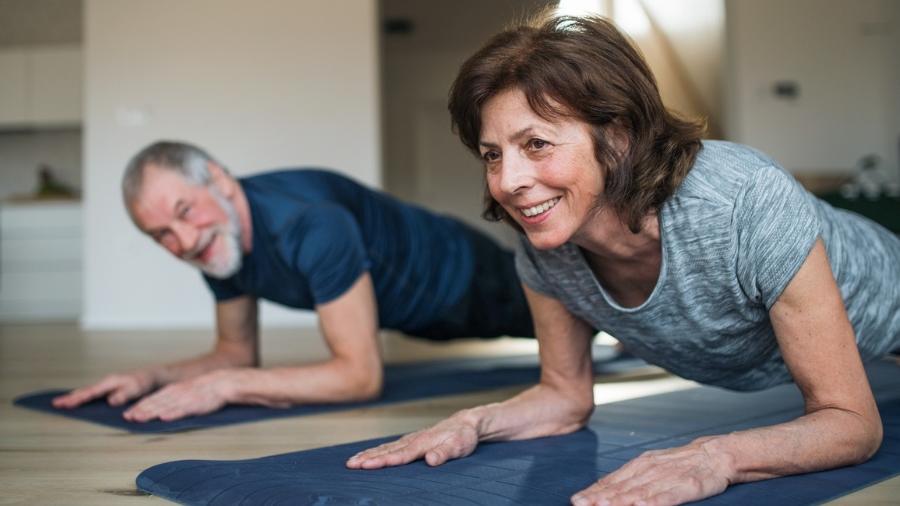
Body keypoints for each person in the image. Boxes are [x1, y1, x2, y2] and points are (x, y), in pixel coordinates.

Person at [345, 14, 900, 505]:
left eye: (536, 144)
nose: (509, 182)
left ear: (618, 137)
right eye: (493, 154)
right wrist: (473, 423)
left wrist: (713, 457)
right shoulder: (547, 244)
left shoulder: (745, 201)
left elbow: (851, 423)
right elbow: (563, 397)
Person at [52, 141, 534, 422]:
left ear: (219, 181)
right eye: (162, 235)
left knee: (585, 312)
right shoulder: (218, 243)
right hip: (420, 314)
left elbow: (360, 377)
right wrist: (148, 377)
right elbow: (235, 353)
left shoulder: (308, 223)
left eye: (184, 212)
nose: (183, 242)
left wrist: (227, 387)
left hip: (467, 279)